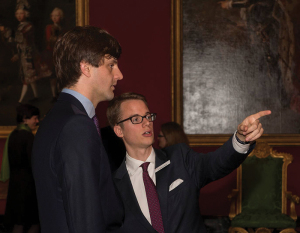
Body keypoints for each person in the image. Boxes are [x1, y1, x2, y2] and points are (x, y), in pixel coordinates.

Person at [106, 92, 271, 233]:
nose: (147, 122)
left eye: (148, 116)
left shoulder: (180, 158)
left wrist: (241, 138)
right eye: (136, 119)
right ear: (119, 130)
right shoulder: (112, 186)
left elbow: (214, 164)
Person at [31, 26, 124, 233]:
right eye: (111, 65)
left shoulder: (54, 119)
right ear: (86, 68)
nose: (119, 74)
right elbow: (85, 219)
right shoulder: (77, 126)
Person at [2, 104, 40, 233]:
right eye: (35, 118)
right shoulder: (28, 137)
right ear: (25, 118)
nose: (37, 121)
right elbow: (33, 163)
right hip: (28, 187)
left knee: (18, 223)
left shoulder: (13, 135)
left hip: (15, 185)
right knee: (34, 223)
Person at [12, 6, 39, 103]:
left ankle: (20, 101)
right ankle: (36, 96)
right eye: (17, 14)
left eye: (21, 13)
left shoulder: (28, 26)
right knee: (29, 77)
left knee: (28, 77)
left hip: (28, 55)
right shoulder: (19, 26)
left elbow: (20, 38)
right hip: (23, 55)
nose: (19, 16)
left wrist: (7, 31)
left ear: (26, 14)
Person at [41, 7, 64, 102]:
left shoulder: (62, 28)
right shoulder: (49, 27)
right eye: (53, 16)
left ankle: (60, 93)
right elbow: (49, 40)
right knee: (52, 74)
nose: (55, 18)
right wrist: (57, 39)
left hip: (60, 53)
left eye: (57, 15)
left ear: (61, 17)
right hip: (51, 53)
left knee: (60, 74)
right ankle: (53, 94)